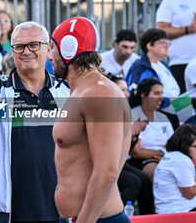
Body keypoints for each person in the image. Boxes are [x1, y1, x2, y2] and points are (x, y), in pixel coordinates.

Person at [0, 21, 70, 223]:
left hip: (61, 208)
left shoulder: (67, 91)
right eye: (19, 46)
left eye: (34, 44)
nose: (26, 51)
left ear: (48, 48)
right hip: (6, 210)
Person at [50, 17, 131, 223]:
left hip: (95, 219)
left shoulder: (99, 93)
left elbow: (107, 172)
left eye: (53, 48)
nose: (50, 56)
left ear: (69, 49)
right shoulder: (86, 91)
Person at [109, 74, 154, 215]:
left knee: (145, 180)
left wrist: (133, 135)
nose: (127, 93)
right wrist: (129, 132)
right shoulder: (105, 111)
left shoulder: (122, 111)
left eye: (127, 89)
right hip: (107, 162)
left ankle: (147, 218)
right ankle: (110, 214)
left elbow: (125, 149)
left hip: (120, 162)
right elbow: (109, 145)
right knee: (134, 183)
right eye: (122, 89)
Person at [128, 79, 174, 181]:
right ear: (143, 95)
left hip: (163, 159)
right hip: (137, 162)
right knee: (160, 172)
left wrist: (162, 156)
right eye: (156, 93)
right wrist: (161, 152)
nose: (161, 97)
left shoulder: (163, 118)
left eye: (162, 93)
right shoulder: (133, 116)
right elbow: (136, 152)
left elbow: (173, 145)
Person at [156, 0, 196, 93]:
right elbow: (160, 31)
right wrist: (187, 29)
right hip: (181, 63)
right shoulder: (172, 0)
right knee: (183, 106)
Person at [125, 28, 180, 99]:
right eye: (163, 43)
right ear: (149, 45)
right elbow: (135, 94)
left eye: (168, 43)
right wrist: (166, 102)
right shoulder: (140, 67)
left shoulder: (165, 65)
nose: (167, 46)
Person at [153, 124, 196, 213]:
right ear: (184, 145)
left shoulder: (172, 156)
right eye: (195, 146)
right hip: (180, 211)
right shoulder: (181, 160)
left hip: (171, 209)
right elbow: (190, 193)